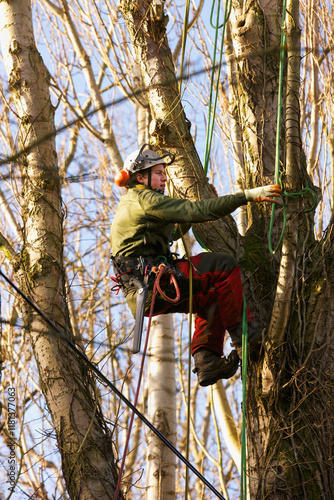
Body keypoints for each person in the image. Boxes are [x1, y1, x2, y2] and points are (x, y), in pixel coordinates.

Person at [111, 144, 281, 387]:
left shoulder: (136, 203)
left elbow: (177, 226)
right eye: (158, 173)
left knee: (212, 298)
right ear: (141, 177)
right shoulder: (142, 198)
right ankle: (246, 338)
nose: (164, 178)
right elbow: (193, 211)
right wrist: (245, 197)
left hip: (146, 293)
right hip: (153, 285)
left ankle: (207, 360)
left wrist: (203, 207)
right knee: (223, 265)